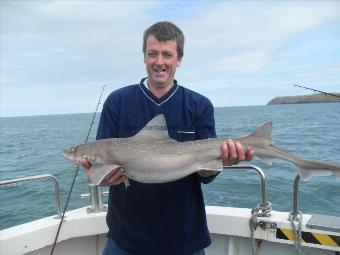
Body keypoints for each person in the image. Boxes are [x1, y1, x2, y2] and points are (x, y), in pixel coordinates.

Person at [79, 21, 253, 255]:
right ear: (144, 57)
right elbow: (95, 168)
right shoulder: (117, 102)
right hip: (126, 237)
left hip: (184, 237)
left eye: (167, 55)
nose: (159, 62)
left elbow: (206, 175)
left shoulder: (199, 105)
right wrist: (98, 176)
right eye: (152, 54)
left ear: (178, 59)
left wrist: (221, 162)